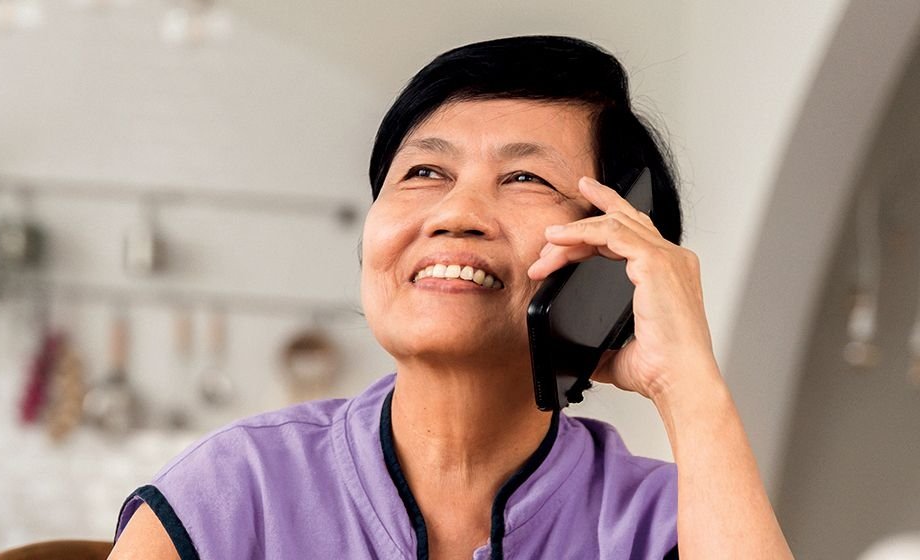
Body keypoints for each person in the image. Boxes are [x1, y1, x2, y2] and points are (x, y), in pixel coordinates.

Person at [109, 35, 794, 559]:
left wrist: (689, 385)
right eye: (424, 171)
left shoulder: (660, 525)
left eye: (525, 177)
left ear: (612, 265)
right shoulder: (235, 492)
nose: (454, 213)